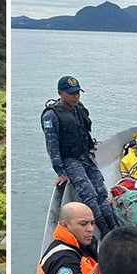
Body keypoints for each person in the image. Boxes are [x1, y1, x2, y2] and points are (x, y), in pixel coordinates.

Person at [41, 77, 115, 235]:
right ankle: (104, 230)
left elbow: (83, 131)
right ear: (60, 93)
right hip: (71, 160)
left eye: (77, 93)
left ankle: (113, 227)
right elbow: (52, 145)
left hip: (86, 156)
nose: (75, 97)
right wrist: (61, 172)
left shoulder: (78, 108)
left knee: (101, 192)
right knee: (89, 195)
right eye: (71, 94)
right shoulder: (51, 116)